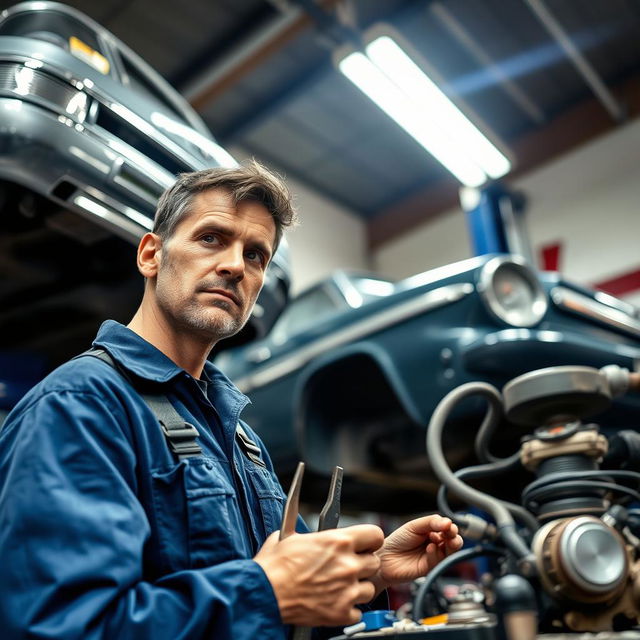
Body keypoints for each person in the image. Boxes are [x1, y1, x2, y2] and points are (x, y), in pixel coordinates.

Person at [0, 162, 462, 639]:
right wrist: (263, 593)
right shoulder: (80, 405)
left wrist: (370, 568)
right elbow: (59, 626)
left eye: (257, 255)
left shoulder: (239, 435)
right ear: (151, 254)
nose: (236, 266)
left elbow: (294, 583)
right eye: (211, 238)